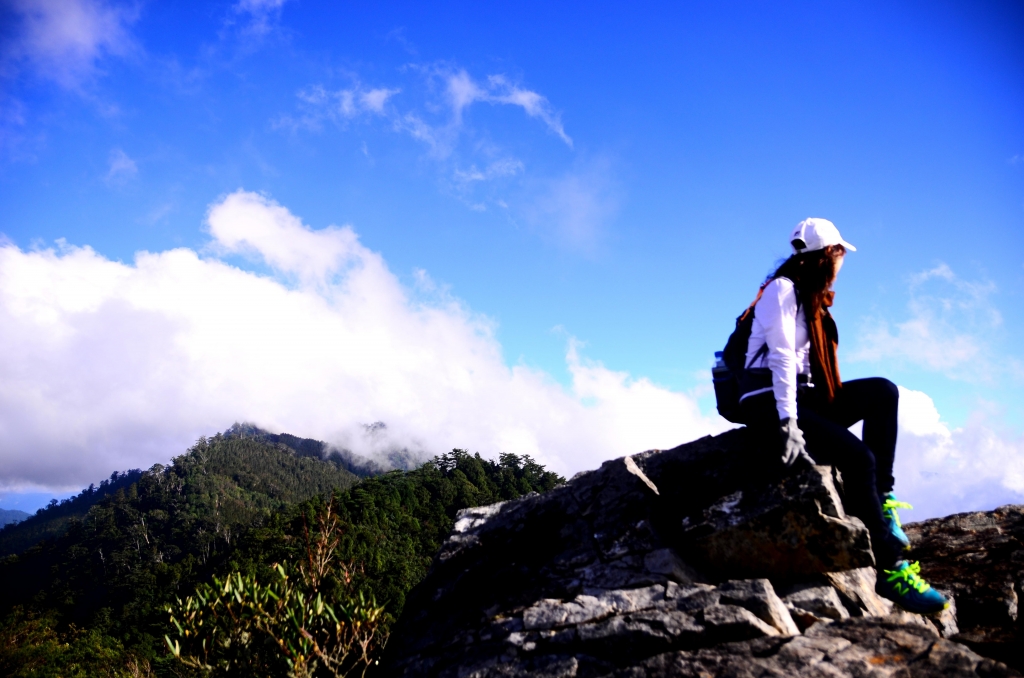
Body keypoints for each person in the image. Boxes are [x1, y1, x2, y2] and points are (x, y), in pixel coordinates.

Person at [738, 217, 948, 615]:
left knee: (882, 392)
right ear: (831, 253)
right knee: (859, 459)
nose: (843, 262)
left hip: (802, 396)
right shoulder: (781, 291)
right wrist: (788, 423)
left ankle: (882, 503)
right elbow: (782, 357)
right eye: (841, 254)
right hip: (769, 401)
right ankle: (892, 569)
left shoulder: (810, 295)